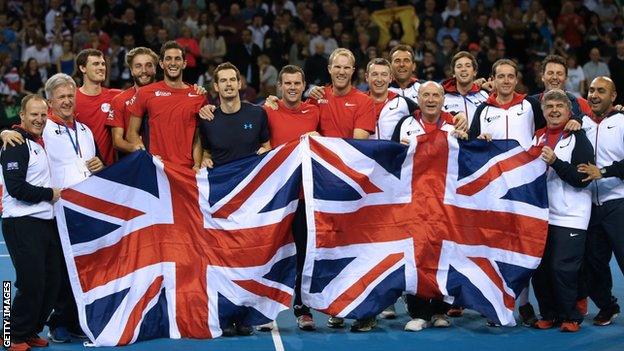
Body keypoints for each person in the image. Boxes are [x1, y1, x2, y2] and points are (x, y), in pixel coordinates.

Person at [1, 73, 106, 343]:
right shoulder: (35, 133)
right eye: (61, 97)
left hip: (71, 214)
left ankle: (41, 328)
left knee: (57, 278)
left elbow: (86, 164)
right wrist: (4, 130)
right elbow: (16, 174)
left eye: (71, 96)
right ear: (50, 103)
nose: (68, 101)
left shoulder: (81, 132)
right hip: (35, 215)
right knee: (32, 281)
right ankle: (12, 333)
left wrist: (100, 164)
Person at [391, 81, 466, 332]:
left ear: (443, 98)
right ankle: (419, 311)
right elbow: (390, 158)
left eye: (436, 95)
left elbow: (469, 155)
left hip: (447, 201)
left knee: (445, 252)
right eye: (426, 95)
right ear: (419, 98)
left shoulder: (456, 124)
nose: (431, 99)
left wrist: (479, 139)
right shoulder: (406, 124)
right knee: (417, 254)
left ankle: (440, 310)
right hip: (415, 201)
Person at [1, 95, 62, 351]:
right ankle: (10, 335)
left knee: (51, 280)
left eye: (43, 115)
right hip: (21, 222)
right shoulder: (15, 143)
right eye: (33, 115)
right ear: (22, 116)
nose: (39, 119)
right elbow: (15, 188)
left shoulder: (39, 142)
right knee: (30, 280)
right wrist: (50, 194)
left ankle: (30, 330)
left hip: (44, 221)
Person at [531, 89, 593, 333]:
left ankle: (571, 315)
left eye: (560, 106)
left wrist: (556, 162)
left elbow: (582, 178)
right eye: (549, 106)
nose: (554, 110)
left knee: (562, 268)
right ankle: (548, 313)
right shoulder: (536, 137)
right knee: (541, 267)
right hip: (541, 215)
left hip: (571, 216)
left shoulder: (578, 136)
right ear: (543, 111)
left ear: (569, 111)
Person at [265, 65, 320, 331]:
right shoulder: (267, 110)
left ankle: (303, 308)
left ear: (304, 85)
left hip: (304, 197)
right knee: (271, 254)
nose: (292, 88)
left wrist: (319, 138)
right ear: (279, 86)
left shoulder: (315, 111)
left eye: (297, 83)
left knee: (302, 255)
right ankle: (263, 311)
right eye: (287, 83)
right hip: (276, 198)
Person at [578, 76, 624, 326]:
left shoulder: (622, 121)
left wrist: (603, 172)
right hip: (589, 206)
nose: (594, 95)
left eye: (601, 91)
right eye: (592, 91)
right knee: (594, 263)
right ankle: (607, 306)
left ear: (613, 96)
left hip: (619, 202)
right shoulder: (580, 123)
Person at [126, 41, 206, 169]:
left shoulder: (198, 96)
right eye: (168, 59)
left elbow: (197, 138)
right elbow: (131, 133)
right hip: (156, 168)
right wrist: (146, 156)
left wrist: (197, 165)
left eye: (177, 59)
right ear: (162, 64)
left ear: (184, 64)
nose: (173, 63)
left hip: (186, 171)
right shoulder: (145, 93)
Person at [198, 62, 270, 170]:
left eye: (232, 79)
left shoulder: (258, 113)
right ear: (216, 86)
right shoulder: (208, 120)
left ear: (239, 84)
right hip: (223, 183)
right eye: (223, 80)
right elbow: (207, 152)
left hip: (251, 182)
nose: (228, 84)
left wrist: (266, 152)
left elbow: (267, 147)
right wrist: (205, 160)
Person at [105, 47, 158, 154]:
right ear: (132, 71)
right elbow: (117, 141)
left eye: (149, 65)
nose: (144, 71)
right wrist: (141, 152)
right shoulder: (119, 100)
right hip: (136, 162)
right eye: (138, 66)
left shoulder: (167, 96)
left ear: (155, 69)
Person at [74, 49, 121, 166]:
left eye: (103, 64)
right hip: (81, 170)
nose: (101, 67)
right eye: (96, 64)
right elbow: (46, 120)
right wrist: (20, 131)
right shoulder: (70, 98)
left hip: (109, 171)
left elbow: (143, 96)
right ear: (82, 68)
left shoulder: (115, 96)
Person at [366, 58, 417, 141]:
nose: (379, 79)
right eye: (375, 74)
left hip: (394, 153)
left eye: (384, 74)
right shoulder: (358, 102)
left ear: (390, 78)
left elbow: (425, 119)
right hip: (363, 153)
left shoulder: (403, 102)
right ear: (367, 77)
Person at [441, 51, 489, 126]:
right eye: (459, 66)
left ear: (475, 72)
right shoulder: (443, 97)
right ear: (453, 73)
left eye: (468, 66)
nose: (463, 69)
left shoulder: (485, 96)